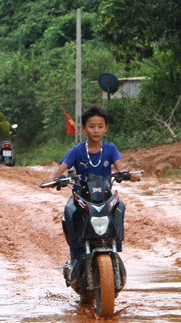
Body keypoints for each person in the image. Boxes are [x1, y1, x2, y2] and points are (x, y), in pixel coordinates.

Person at [49, 106, 140, 265]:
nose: (96, 130)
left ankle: (115, 246)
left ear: (106, 128)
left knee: (120, 206)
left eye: (100, 126)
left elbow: (121, 170)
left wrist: (131, 176)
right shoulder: (77, 151)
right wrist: (55, 179)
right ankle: (76, 254)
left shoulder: (110, 148)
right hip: (81, 196)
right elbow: (60, 169)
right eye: (91, 126)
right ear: (84, 128)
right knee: (69, 210)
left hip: (104, 196)